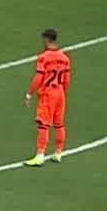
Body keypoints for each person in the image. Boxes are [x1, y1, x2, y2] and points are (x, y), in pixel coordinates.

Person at [24, 29, 72, 166]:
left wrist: (30, 93)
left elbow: (39, 78)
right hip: (60, 92)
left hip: (48, 93)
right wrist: (63, 93)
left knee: (43, 124)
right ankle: (58, 153)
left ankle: (40, 155)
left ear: (46, 39)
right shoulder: (65, 58)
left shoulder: (44, 57)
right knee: (59, 123)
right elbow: (67, 79)